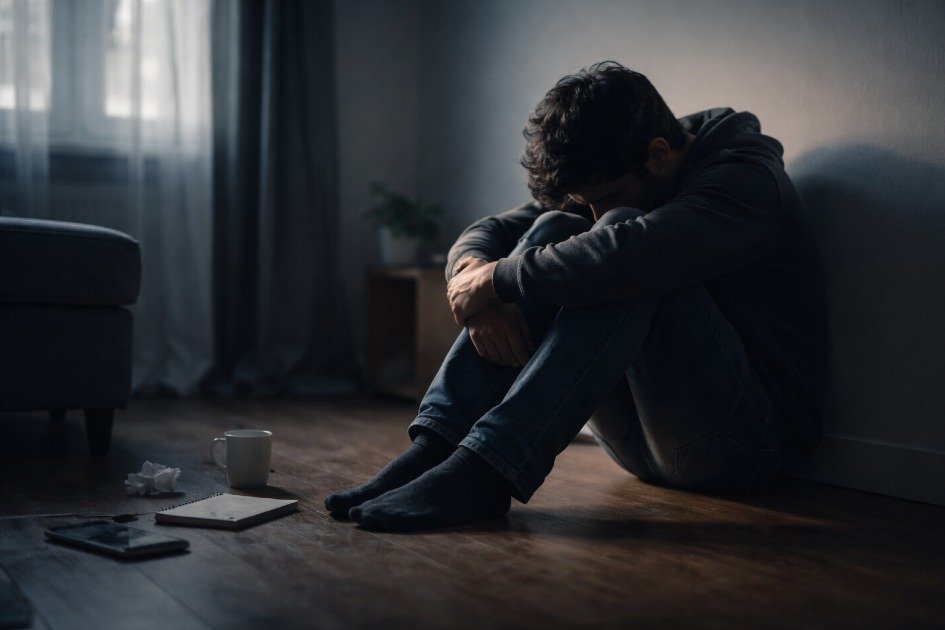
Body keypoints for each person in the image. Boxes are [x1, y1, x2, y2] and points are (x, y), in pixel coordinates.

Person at [325, 61, 825, 532]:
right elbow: (494, 230)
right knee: (553, 226)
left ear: (657, 153)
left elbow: (627, 254)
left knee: (622, 241)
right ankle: (439, 450)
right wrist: (478, 284)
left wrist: (498, 281)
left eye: (602, 197)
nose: (593, 213)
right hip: (637, 444)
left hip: (739, 446)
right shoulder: (618, 157)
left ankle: (486, 472)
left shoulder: (745, 182)